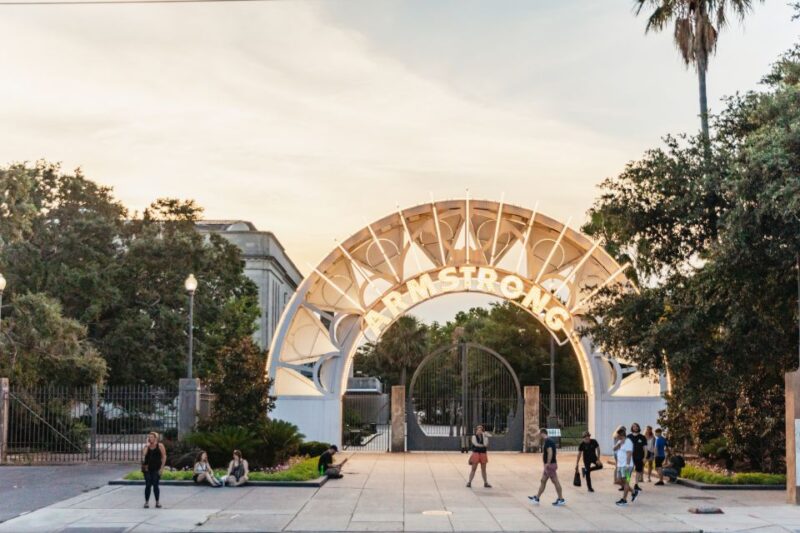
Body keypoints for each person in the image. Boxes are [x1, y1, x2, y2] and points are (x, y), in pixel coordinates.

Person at [528, 428, 565, 506]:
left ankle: (561, 499)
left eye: (539, 433)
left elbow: (550, 452)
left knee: (555, 481)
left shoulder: (548, 441)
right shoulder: (549, 441)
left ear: (542, 433)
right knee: (543, 481)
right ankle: (537, 497)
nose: (538, 435)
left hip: (550, 465)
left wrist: (548, 463)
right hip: (550, 465)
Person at [614, 427, 640, 506]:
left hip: (627, 467)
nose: (616, 437)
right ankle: (633, 491)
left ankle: (624, 500)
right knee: (617, 481)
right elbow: (614, 449)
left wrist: (628, 466)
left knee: (626, 481)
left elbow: (629, 454)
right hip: (620, 466)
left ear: (621, 435)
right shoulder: (619, 441)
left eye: (617, 435)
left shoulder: (628, 442)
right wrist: (619, 443)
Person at [141, 431, 166, 509]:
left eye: (151, 437)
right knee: (148, 484)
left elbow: (164, 456)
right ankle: (146, 502)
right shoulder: (147, 446)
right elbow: (144, 454)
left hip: (156, 468)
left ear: (155, 438)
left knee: (155, 484)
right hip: (147, 468)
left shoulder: (160, 446)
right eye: (149, 437)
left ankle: (157, 502)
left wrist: (162, 468)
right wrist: (146, 445)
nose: (150, 438)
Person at [627, 423, 647, 492]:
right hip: (630, 457)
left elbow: (645, 448)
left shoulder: (642, 437)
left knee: (638, 471)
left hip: (639, 457)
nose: (635, 428)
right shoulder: (628, 437)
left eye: (636, 426)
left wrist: (645, 457)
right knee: (628, 471)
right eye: (633, 427)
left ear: (638, 427)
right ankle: (626, 484)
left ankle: (636, 485)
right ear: (632, 428)